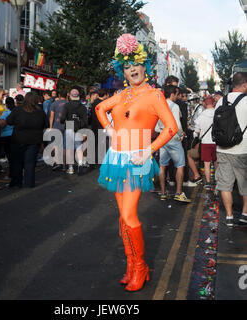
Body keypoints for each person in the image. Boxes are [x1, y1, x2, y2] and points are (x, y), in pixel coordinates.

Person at [95, 34, 178, 292]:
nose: (132, 69)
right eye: (127, 67)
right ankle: (131, 265)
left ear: (145, 67)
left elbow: (171, 128)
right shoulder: (122, 95)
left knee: (129, 216)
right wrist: (109, 129)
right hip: (116, 159)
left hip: (136, 160)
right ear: (123, 71)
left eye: (136, 65)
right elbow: (99, 109)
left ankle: (141, 267)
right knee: (122, 217)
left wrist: (148, 150)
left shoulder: (154, 96)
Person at [214, 72, 247, 227]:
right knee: (244, 184)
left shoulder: (221, 100)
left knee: (225, 184)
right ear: (245, 84)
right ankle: (244, 214)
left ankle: (228, 216)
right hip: (242, 149)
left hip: (222, 148)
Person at [155, 85, 191, 202]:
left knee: (162, 165)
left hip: (162, 137)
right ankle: (179, 193)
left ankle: (163, 192)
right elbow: (177, 125)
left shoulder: (160, 105)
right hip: (173, 137)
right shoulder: (175, 106)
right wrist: (181, 135)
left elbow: (156, 126)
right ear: (173, 94)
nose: (178, 96)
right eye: (177, 94)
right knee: (180, 165)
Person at [6, 92, 47, 188]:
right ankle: (29, 182)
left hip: (18, 139)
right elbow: (45, 125)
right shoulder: (40, 112)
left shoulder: (18, 110)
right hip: (34, 140)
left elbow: (9, 121)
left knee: (17, 162)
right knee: (30, 162)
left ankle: (17, 182)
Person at [60, 88, 88, 175]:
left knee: (69, 149)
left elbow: (62, 118)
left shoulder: (67, 105)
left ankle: (71, 168)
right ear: (78, 96)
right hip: (79, 128)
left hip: (69, 128)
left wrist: (63, 121)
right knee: (79, 148)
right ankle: (80, 164)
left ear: (70, 96)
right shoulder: (83, 107)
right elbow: (85, 121)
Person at [194, 96, 217, 190]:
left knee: (206, 164)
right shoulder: (217, 113)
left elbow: (197, 131)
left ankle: (208, 182)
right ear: (213, 103)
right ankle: (217, 180)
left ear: (205, 104)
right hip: (216, 142)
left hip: (205, 142)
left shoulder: (201, 115)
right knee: (216, 162)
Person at [49, 89, 68, 171]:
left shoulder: (54, 104)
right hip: (67, 126)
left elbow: (51, 117)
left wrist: (50, 127)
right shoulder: (69, 104)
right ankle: (64, 165)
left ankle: (57, 162)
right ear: (67, 95)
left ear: (59, 95)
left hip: (56, 126)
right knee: (64, 146)